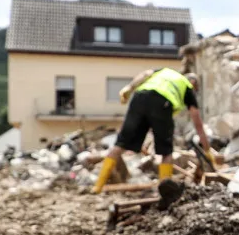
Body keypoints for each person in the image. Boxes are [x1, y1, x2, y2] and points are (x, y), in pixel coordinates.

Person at [91, 67, 213, 208]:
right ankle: (165, 194)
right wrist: (207, 150)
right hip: (162, 103)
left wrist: (128, 88)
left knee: (121, 144)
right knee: (166, 152)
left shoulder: (164, 72)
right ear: (193, 83)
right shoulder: (187, 87)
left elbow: (144, 74)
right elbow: (197, 123)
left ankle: (97, 187)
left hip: (139, 97)